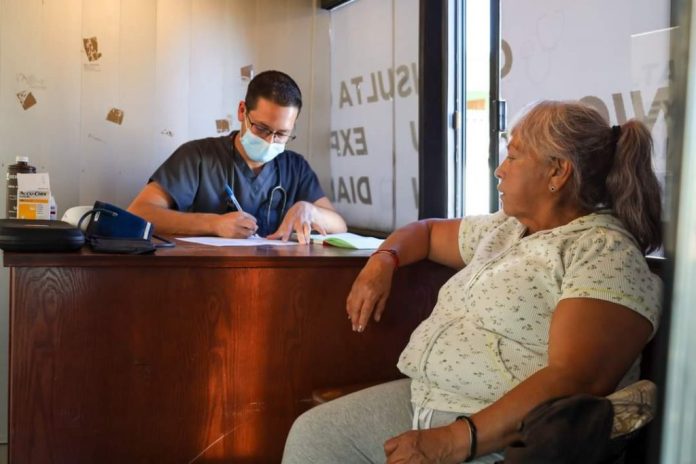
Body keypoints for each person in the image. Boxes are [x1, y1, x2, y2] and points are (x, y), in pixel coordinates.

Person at [282, 100, 663, 463]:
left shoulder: (603, 252)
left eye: (513, 156)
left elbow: (576, 378)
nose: (500, 170)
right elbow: (427, 232)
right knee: (315, 435)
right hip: (428, 398)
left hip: (497, 435)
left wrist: (453, 440)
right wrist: (384, 259)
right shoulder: (507, 228)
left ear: (557, 172)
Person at [128, 70, 346, 243]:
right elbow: (139, 212)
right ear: (242, 111)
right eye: (262, 128)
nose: (270, 141)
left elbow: (339, 225)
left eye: (281, 134)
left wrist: (311, 211)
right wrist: (213, 224)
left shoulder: (295, 168)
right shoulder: (197, 157)